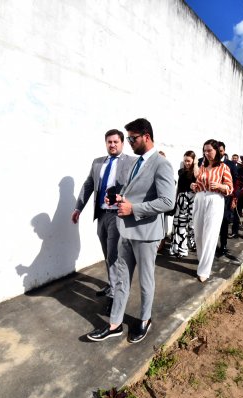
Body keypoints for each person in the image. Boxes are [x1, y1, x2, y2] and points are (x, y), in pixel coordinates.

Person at [87, 118, 176, 343]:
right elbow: (134, 191)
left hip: (146, 234)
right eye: (128, 138)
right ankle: (115, 324)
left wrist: (133, 208)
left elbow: (167, 202)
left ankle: (144, 320)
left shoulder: (161, 163)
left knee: (146, 282)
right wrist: (120, 198)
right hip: (126, 231)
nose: (130, 142)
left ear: (146, 136)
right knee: (121, 281)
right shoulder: (137, 162)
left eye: (132, 138)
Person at [71, 129, 135, 313]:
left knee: (114, 255)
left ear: (122, 143)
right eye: (109, 142)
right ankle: (112, 284)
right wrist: (78, 208)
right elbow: (89, 185)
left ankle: (115, 295)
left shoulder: (131, 162)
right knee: (107, 254)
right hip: (102, 215)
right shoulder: (98, 163)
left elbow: (135, 187)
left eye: (116, 141)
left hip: (118, 215)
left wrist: (122, 197)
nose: (112, 145)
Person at [190, 139, 233, 282]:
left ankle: (204, 270)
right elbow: (199, 185)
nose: (206, 153)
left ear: (216, 150)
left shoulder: (223, 167)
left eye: (209, 150)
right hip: (199, 199)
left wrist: (220, 186)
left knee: (210, 234)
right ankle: (203, 260)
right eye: (205, 150)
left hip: (215, 200)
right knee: (199, 233)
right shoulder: (202, 166)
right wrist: (194, 186)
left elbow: (230, 188)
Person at [170, 150, 198, 258]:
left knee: (192, 226)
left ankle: (193, 245)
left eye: (189, 161)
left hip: (192, 201)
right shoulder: (180, 171)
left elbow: (197, 176)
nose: (187, 163)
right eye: (185, 160)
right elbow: (179, 188)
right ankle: (180, 249)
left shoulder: (196, 171)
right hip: (181, 200)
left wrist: (195, 164)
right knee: (179, 225)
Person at [216, 141, 238, 256]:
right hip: (213, 198)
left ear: (224, 151)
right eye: (217, 151)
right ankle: (213, 245)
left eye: (221, 151)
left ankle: (223, 245)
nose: (219, 153)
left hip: (226, 199)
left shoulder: (230, 164)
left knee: (224, 222)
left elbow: (236, 182)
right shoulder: (210, 163)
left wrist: (234, 198)